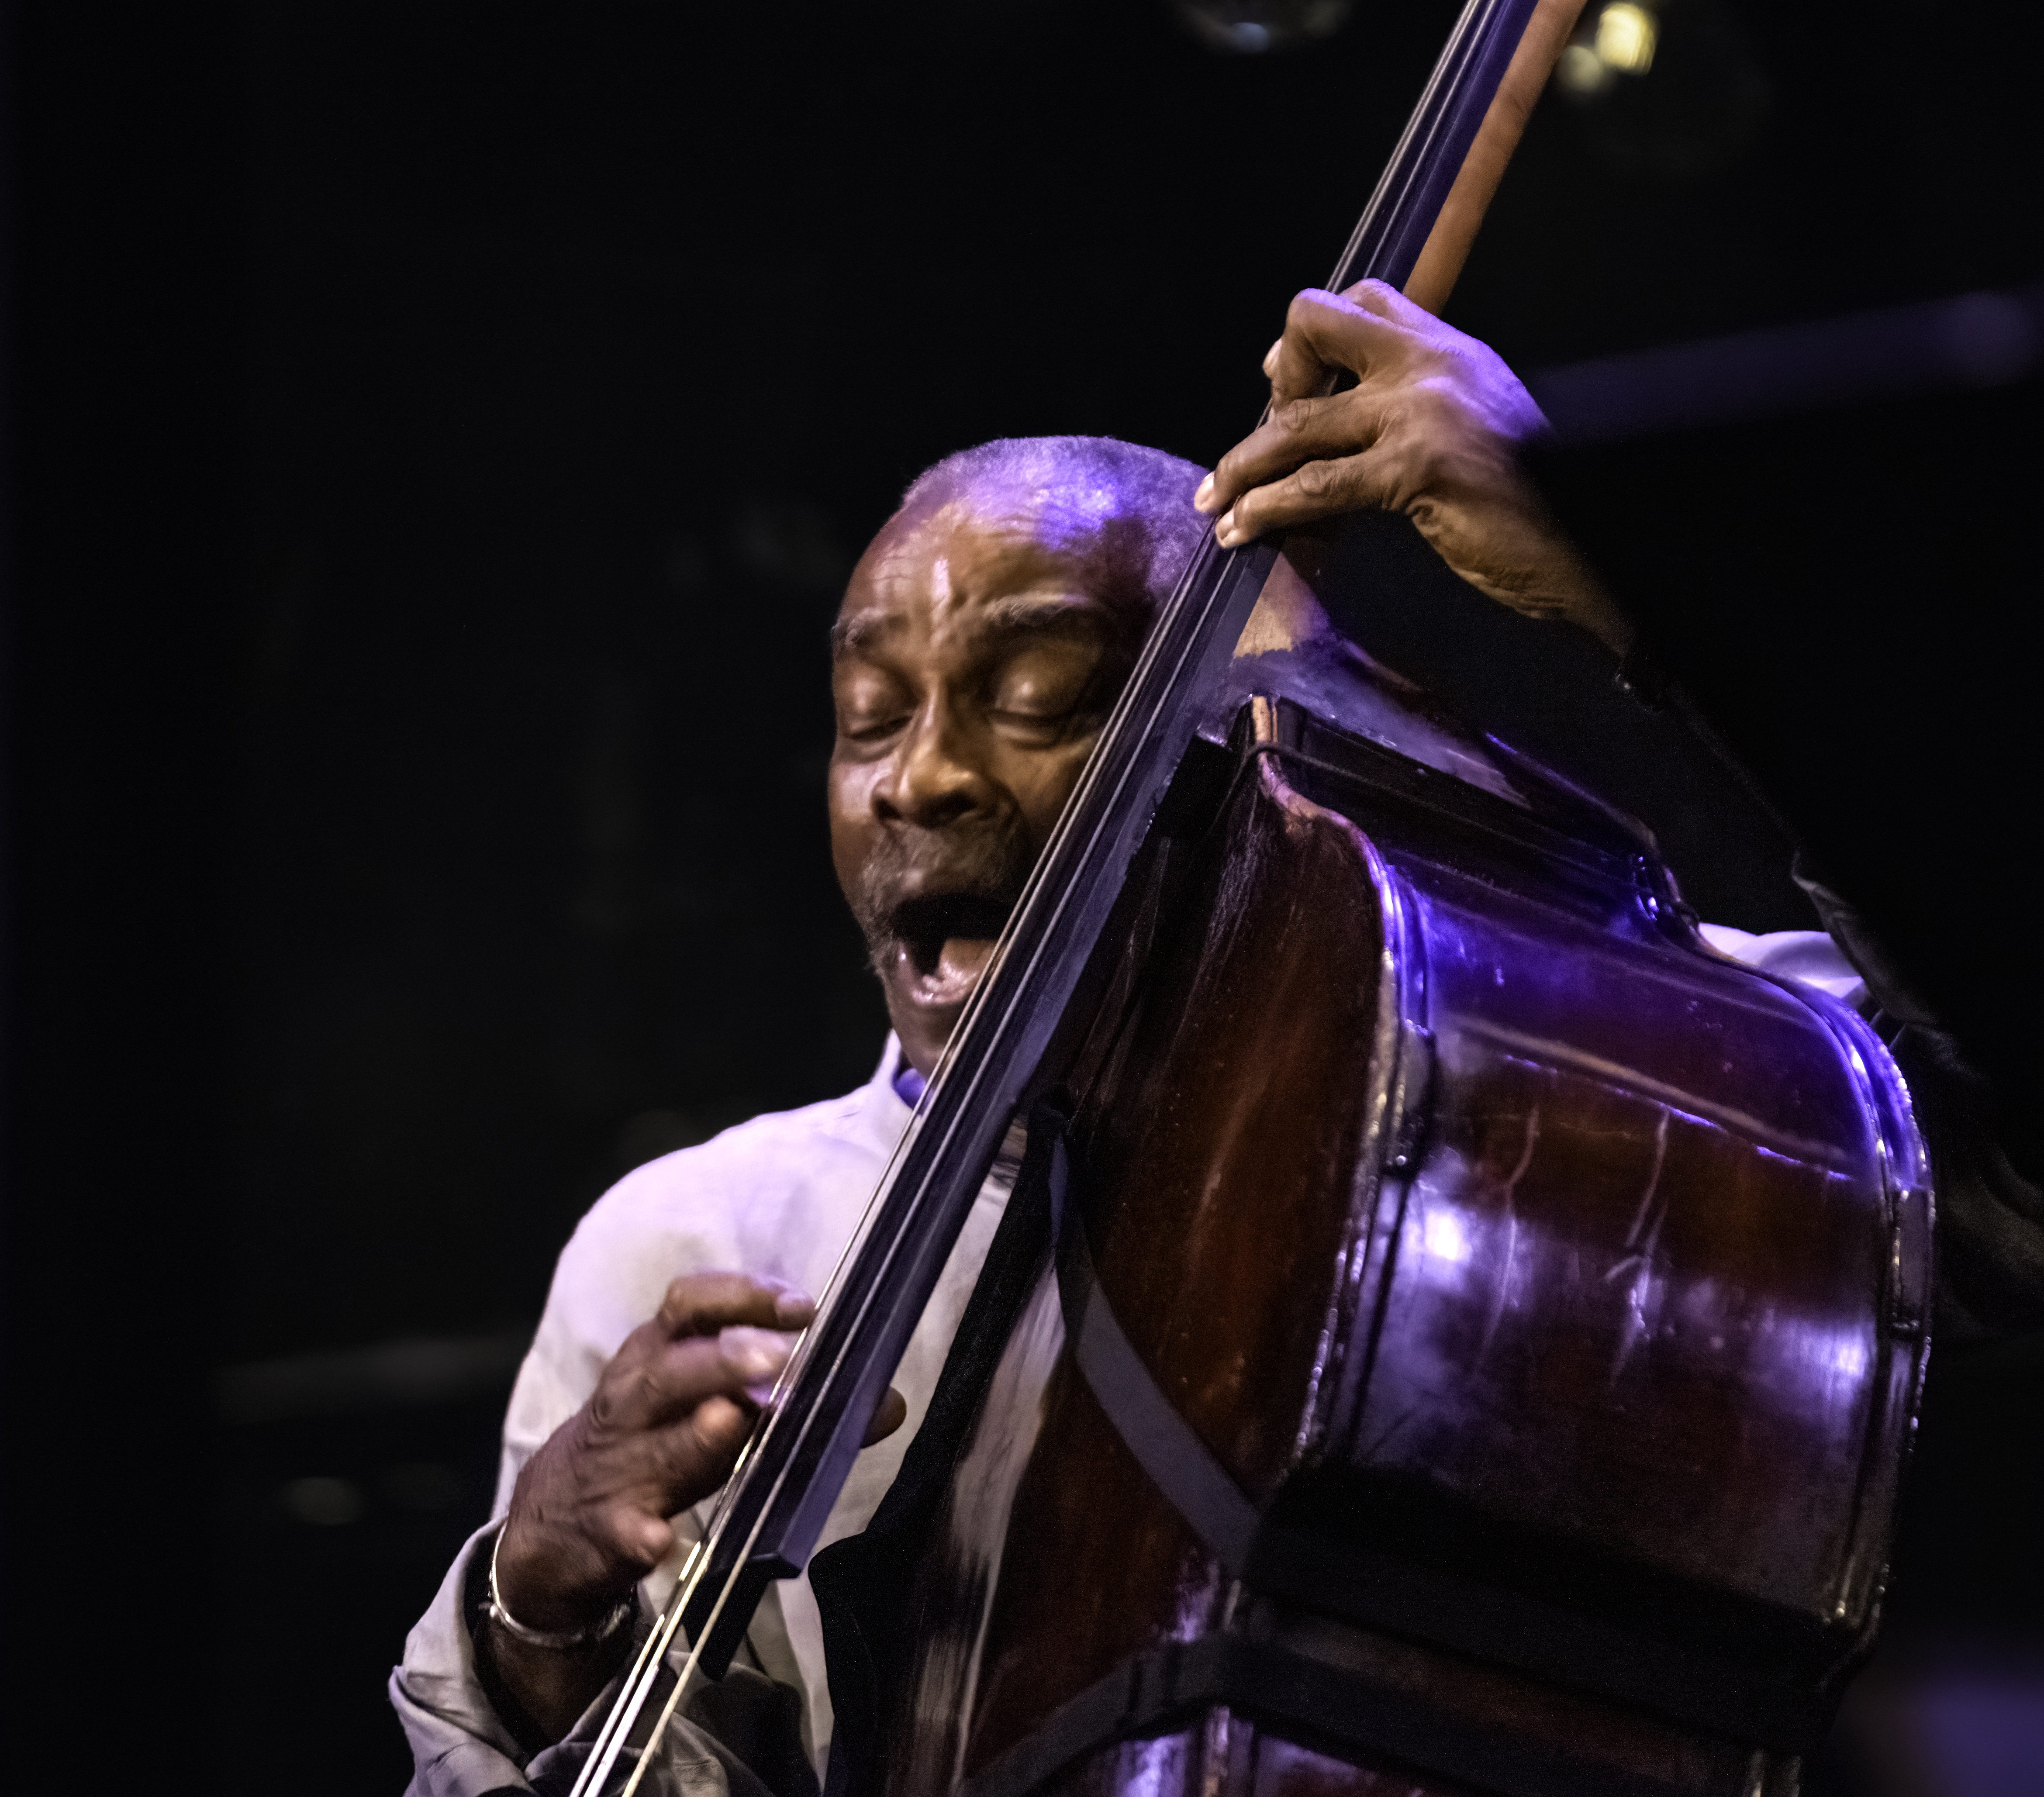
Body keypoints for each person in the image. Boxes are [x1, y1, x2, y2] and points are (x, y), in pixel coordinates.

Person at [391, 281, 2038, 1796]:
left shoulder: (1558, 1081)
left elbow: (2006, 1152)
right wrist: (533, 1621)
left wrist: (1646, 600)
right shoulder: (702, 1240)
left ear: (1255, 744)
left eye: (1036, 696)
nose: (920, 779)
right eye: (870, 719)